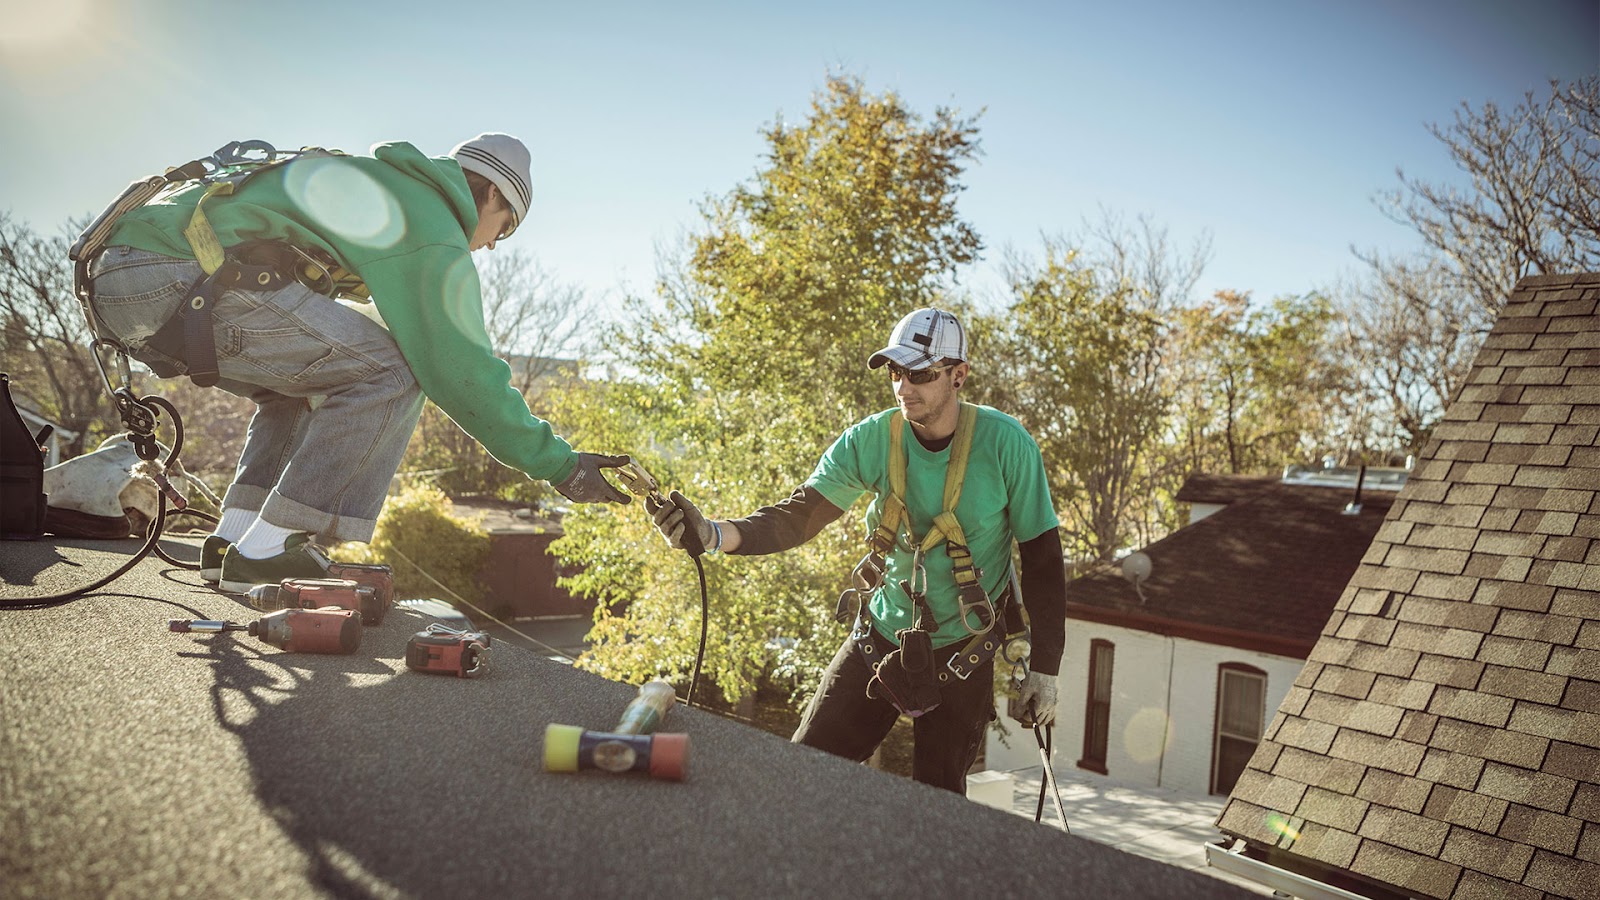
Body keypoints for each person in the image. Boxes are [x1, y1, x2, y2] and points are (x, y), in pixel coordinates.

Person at [81, 133, 632, 593]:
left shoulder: (387, 186)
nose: (491, 246)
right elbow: (458, 370)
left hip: (124, 280)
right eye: (506, 227)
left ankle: (236, 540)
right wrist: (561, 465)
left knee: (308, 379)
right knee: (394, 374)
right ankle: (276, 548)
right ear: (489, 194)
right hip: (176, 275)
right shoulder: (433, 226)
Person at [648, 308, 1066, 793]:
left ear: (959, 376)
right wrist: (714, 534)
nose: (903, 387)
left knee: (935, 811)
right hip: (880, 639)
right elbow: (799, 515)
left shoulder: (1005, 445)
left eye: (920, 374)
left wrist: (1046, 669)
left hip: (962, 652)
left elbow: (1042, 560)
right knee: (802, 777)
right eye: (895, 372)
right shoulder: (871, 440)